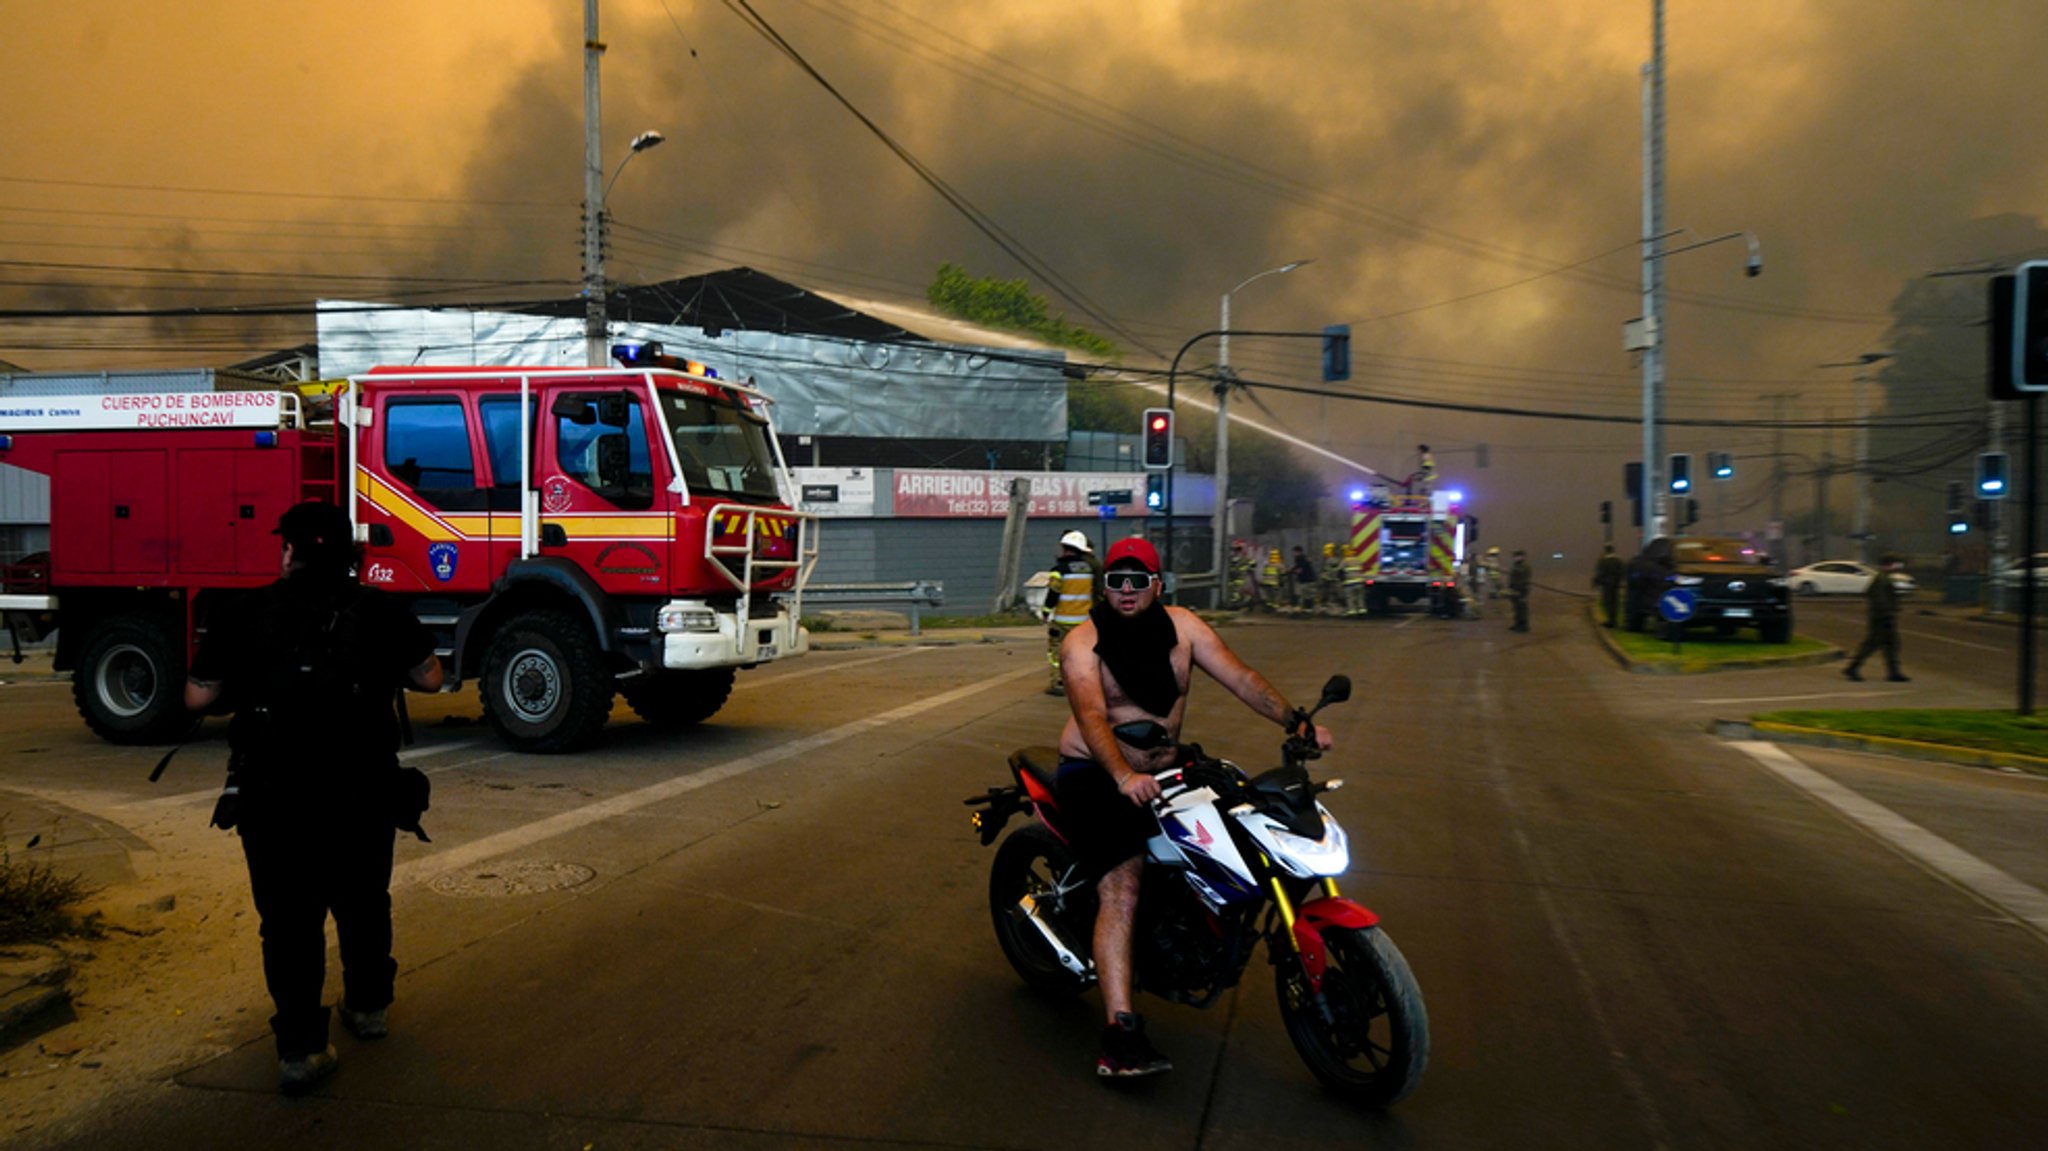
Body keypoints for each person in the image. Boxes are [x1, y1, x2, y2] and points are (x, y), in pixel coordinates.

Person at [185, 500, 443, 1094]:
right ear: (351, 555)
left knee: (288, 921)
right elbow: (430, 678)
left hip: (273, 794)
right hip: (363, 789)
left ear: (288, 552)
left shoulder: (243, 611)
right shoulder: (380, 610)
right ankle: (369, 1009)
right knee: (363, 901)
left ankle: (300, 1049)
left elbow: (199, 699)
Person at [1055, 537, 1334, 1078]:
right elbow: (1092, 718)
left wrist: (1295, 722)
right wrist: (1123, 775)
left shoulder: (1184, 627)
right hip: (1097, 773)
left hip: (1163, 766)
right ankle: (1120, 1034)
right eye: (1117, 581)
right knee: (1123, 883)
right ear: (1104, 585)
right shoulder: (1081, 643)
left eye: (1139, 581)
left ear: (1158, 584)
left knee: (1238, 820)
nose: (1128, 591)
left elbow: (1242, 678)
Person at [1042, 530, 1102, 695]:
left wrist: (1046, 612)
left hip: (1062, 621)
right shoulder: (1089, 569)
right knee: (1083, 653)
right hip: (1083, 621)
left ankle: (1059, 683)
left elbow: (1053, 595)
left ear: (1065, 548)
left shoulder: (1059, 570)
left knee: (1057, 653)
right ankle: (1084, 683)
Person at [1844, 553, 1909, 682]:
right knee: (1873, 644)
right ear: (1889, 564)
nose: (1898, 566)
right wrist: (1887, 612)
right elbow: (1879, 599)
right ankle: (1853, 668)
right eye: (1896, 563)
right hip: (1881, 618)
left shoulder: (1883, 578)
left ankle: (1893, 672)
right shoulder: (1882, 579)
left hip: (1883, 616)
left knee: (1891, 645)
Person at [1593, 544, 1627, 628]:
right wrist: (1622, 582)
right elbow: (1623, 571)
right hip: (1615, 584)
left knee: (1607, 602)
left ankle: (1610, 620)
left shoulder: (1603, 560)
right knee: (1615, 602)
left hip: (1606, 585)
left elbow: (1599, 572)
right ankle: (1614, 620)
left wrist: (1596, 582)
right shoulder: (1618, 560)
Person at [1507, 547, 1532, 632]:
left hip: (1521, 590)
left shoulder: (1525, 566)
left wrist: (1522, 591)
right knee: (1516, 608)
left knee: (1522, 609)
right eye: (1515, 556)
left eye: (1517, 556)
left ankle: (1524, 626)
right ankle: (1517, 624)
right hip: (1514, 589)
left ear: (1522, 556)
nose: (1515, 557)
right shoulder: (1516, 565)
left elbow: (1524, 579)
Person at [1288, 546, 1318, 611]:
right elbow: (1298, 567)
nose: (1293, 554)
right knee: (1309, 596)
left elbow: (1299, 570)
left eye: (1294, 552)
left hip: (1305, 580)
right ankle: (1308, 611)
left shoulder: (1299, 558)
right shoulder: (1305, 558)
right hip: (1311, 580)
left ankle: (1301, 610)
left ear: (1297, 552)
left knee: (1303, 596)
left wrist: (1291, 572)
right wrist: (1292, 569)